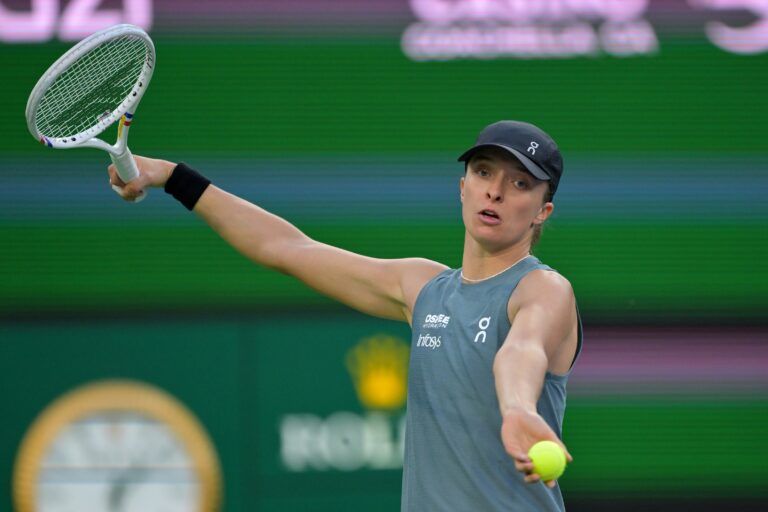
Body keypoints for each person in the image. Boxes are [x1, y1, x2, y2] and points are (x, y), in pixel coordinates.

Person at [108, 120, 582, 511]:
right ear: (463, 187)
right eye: (483, 172)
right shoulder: (422, 288)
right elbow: (286, 248)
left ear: (542, 211)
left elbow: (521, 351)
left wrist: (518, 408)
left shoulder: (545, 289)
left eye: (520, 183)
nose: (495, 192)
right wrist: (174, 177)